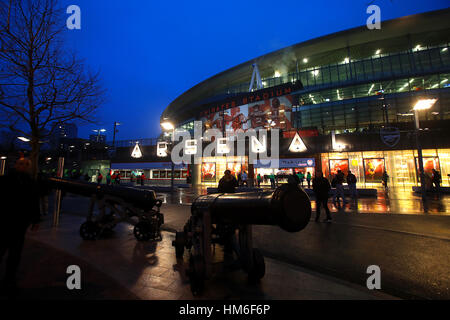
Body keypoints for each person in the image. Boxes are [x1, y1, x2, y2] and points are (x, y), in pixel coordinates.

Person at [0, 155, 40, 294]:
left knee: (15, 254)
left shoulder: (30, 182)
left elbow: (34, 202)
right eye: (20, 163)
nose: (22, 166)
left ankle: (9, 279)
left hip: (19, 222)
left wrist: (36, 219)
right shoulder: (7, 180)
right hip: (6, 220)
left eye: (25, 164)